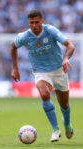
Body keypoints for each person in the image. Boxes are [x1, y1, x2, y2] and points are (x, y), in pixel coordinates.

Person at [11, 9, 75, 142]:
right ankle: (55, 129)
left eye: (37, 22)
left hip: (59, 70)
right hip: (41, 72)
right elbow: (13, 47)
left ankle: (67, 124)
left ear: (42, 21)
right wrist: (15, 68)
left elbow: (71, 45)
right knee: (45, 94)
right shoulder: (24, 36)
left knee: (64, 105)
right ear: (28, 22)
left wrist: (65, 58)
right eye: (31, 23)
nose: (34, 25)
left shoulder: (50, 30)